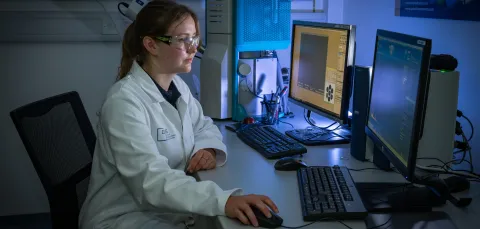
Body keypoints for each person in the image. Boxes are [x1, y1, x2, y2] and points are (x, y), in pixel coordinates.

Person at [78, 1, 280, 228]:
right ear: (151, 45)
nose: (194, 48)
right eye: (183, 40)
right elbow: (151, 182)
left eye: (194, 38)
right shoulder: (123, 103)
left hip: (165, 210)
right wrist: (224, 201)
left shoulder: (176, 86)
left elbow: (203, 125)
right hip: (125, 218)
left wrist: (208, 148)